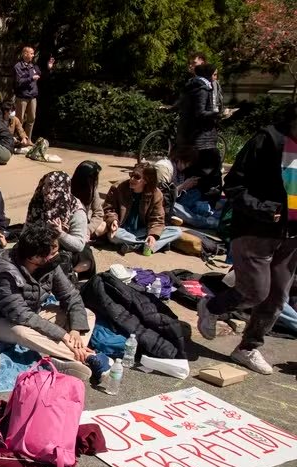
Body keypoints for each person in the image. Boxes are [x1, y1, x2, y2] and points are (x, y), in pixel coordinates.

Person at [197, 103, 297, 375]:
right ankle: (211, 305)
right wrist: (265, 209)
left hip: (291, 237)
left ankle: (248, 347)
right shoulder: (268, 140)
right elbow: (234, 185)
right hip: (256, 230)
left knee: (277, 298)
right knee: (256, 291)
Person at [0, 223, 110, 383]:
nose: (58, 254)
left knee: (87, 315)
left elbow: (71, 296)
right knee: (22, 332)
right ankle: (88, 356)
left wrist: (75, 330)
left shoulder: (50, 264)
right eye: (53, 252)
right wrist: (63, 335)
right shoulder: (5, 274)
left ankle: (67, 356)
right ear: (34, 257)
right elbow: (21, 315)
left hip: (34, 312)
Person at [103, 162, 182, 255]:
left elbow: (157, 219)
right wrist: (113, 220)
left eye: (137, 177)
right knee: (113, 236)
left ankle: (134, 245)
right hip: (123, 229)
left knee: (176, 231)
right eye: (131, 175)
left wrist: (152, 235)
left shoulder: (156, 194)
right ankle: (147, 245)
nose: (131, 179)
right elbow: (109, 208)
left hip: (143, 231)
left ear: (146, 180)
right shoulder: (118, 188)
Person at [25, 171, 92, 275]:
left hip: (64, 248)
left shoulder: (76, 210)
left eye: (53, 187)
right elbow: (26, 231)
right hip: (39, 244)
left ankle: (71, 274)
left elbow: (78, 245)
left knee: (84, 257)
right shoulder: (38, 203)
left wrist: (60, 234)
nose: (48, 191)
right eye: (47, 186)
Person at [176, 62, 223, 195]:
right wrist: (219, 114)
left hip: (198, 136)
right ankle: (203, 196)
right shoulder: (202, 89)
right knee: (207, 168)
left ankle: (199, 194)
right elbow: (200, 113)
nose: (216, 78)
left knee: (198, 168)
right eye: (214, 74)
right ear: (207, 75)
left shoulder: (195, 86)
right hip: (203, 138)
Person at [13, 46, 53, 140]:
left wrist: (48, 68)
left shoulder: (33, 66)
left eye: (33, 53)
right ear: (25, 54)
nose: (33, 55)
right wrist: (31, 78)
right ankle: (18, 139)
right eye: (31, 53)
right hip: (22, 97)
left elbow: (41, 76)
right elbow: (19, 82)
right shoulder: (18, 66)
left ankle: (28, 139)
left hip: (32, 97)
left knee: (31, 119)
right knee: (19, 119)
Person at [71, 160, 106, 239]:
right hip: (70, 225)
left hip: (84, 225)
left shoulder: (92, 190)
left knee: (104, 225)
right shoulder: (67, 187)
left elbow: (99, 213)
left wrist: (88, 229)